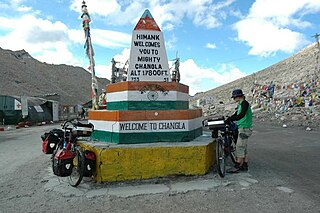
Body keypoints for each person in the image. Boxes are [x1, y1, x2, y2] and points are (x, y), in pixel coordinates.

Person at [226, 89, 253, 173]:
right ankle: (245, 165)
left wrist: (231, 119)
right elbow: (237, 114)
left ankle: (237, 166)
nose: (233, 99)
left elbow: (241, 115)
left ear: (238, 96)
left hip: (244, 128)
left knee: (239, 147)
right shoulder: (241, 104)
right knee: (243, 147)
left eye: (234, 97)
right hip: (242, 127)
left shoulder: (244, 103)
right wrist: (229, 118)